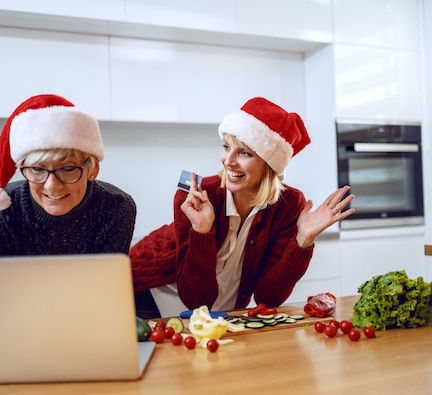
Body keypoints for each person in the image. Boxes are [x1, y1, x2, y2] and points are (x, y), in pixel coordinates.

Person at [130, 97, 355, 318]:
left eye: (244, 153)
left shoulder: (288, 205)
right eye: (226, 147)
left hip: (220, 314)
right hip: (150, 296)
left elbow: (269, 297)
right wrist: (202, 231)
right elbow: (196, 299)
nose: (228, 160)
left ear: (269, 164)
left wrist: (302, 241)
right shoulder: (194, 196)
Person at [0, 94, 136, 257]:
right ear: (23, 169)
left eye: (67, 169)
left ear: (92, 170)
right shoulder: (0, 210)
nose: (52, 185)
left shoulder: (116, 208)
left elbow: (108, 279)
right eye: (37, 169)